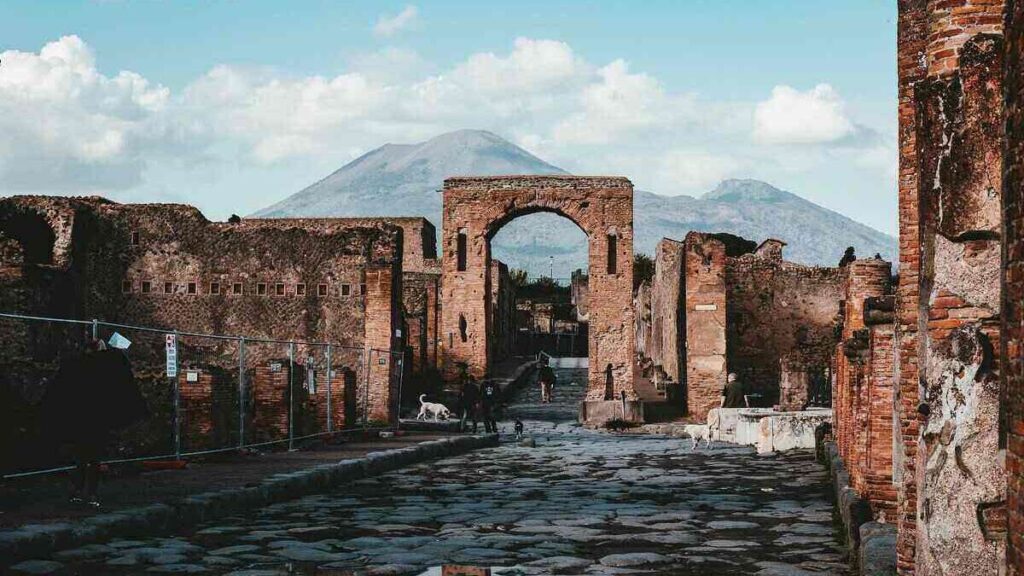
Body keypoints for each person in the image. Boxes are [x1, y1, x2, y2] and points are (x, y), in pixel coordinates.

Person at [43, 337, 146, 507]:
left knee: (81, 459)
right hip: (97, 422)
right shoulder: (104, 369)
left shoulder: (75, 367)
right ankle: (90, 494)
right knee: (93, 460)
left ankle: (79, 491)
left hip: (80, 421)